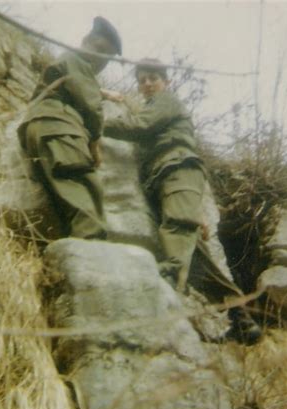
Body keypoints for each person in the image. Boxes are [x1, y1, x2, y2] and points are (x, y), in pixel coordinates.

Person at [103, 59, 262, 344]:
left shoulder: (166, 101)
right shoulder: (155, 104)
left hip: (177, 170)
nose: (147, 84)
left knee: (176, 229)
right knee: (199, 261)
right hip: (169, 175)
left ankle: (167, 285)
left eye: (153, 78)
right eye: (142, 80)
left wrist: (99, 122)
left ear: (166, 82)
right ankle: (242, 319)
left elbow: (142, 125)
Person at [17, 17, 122, 239]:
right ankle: (91, 258)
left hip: (42, 128)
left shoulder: (69, 60)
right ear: (87, 41)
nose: (101, 60)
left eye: (107, 56)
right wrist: (94, 144)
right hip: (61, 129)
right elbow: (91, 106)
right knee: (86, 193)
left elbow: (74, 84)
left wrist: (103, 92)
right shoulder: (78, 60)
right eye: (101, 50)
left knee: (67, 198)